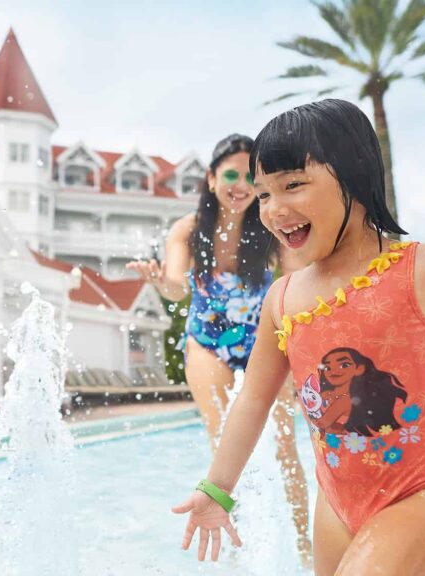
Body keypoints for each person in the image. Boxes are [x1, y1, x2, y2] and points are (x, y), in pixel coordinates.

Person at [171, 99, 425, 575]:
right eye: (264, 194)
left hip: (424, 489)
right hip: (337, 504)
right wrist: (217, 487)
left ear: (355, 175)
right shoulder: (282, 299)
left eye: (293, 185)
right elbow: (252, 402)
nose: (275, 209)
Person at [128, 133, 311, 563]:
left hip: (264, 340)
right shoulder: (189, 231)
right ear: (211, 179)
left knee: (285, 444)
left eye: (250, 176)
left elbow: (293, 284)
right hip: (207, 342)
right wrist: (159, 282)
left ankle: (305, 546)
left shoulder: (270, 225)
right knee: (223, 445)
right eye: (231, 174)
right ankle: (235, 547)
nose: (240, 184)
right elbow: (176, 289)